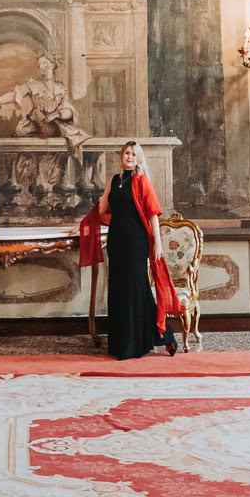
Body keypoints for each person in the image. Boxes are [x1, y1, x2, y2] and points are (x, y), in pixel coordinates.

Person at [99, 141, 176, 359]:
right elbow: (103, 208)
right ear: (121, 156)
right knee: (119, 290)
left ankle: (153, 339)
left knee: (136, 289)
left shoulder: (142, 181)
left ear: (138, 158)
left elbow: (153, 213)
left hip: (136, 242)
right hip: (116, 242)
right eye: (126, 153)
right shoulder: (114, 181)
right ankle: (121, 344)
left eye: (133, 154)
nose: (129, 157)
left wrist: (158, 243)